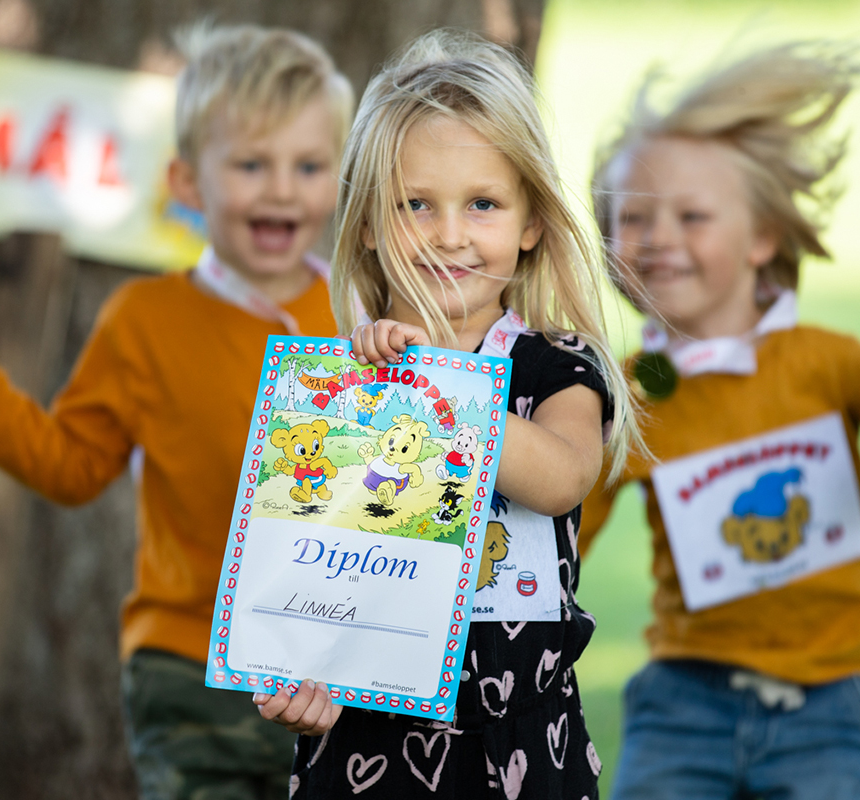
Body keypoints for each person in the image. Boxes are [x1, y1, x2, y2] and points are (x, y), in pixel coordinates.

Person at [0, 24, 353, 800]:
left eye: (309, 166)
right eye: (251, 164)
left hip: (336, 674)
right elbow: (71, 465)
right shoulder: (141, 320)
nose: (282, 189)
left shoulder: (362, 317)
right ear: (186, 182)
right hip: (187, 666)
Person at [579, 43, 860, 799]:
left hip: (832, 699)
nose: (659, 238)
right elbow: (562, 530)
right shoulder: (622, 391)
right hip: (682, 699)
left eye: (693, 215)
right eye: (633, 218)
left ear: (763, 237)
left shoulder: (829, 362)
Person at [251, 30, 637, 799]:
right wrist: (295, 679)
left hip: (523, 746)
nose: (450, 233)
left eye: (483, 204)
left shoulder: (557, 366)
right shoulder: (339, 386)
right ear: (365, 221)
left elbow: (561, 477)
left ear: (531, 224)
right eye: (415, 204)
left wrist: (437, 386)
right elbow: (302, 558)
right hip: (363, 742)